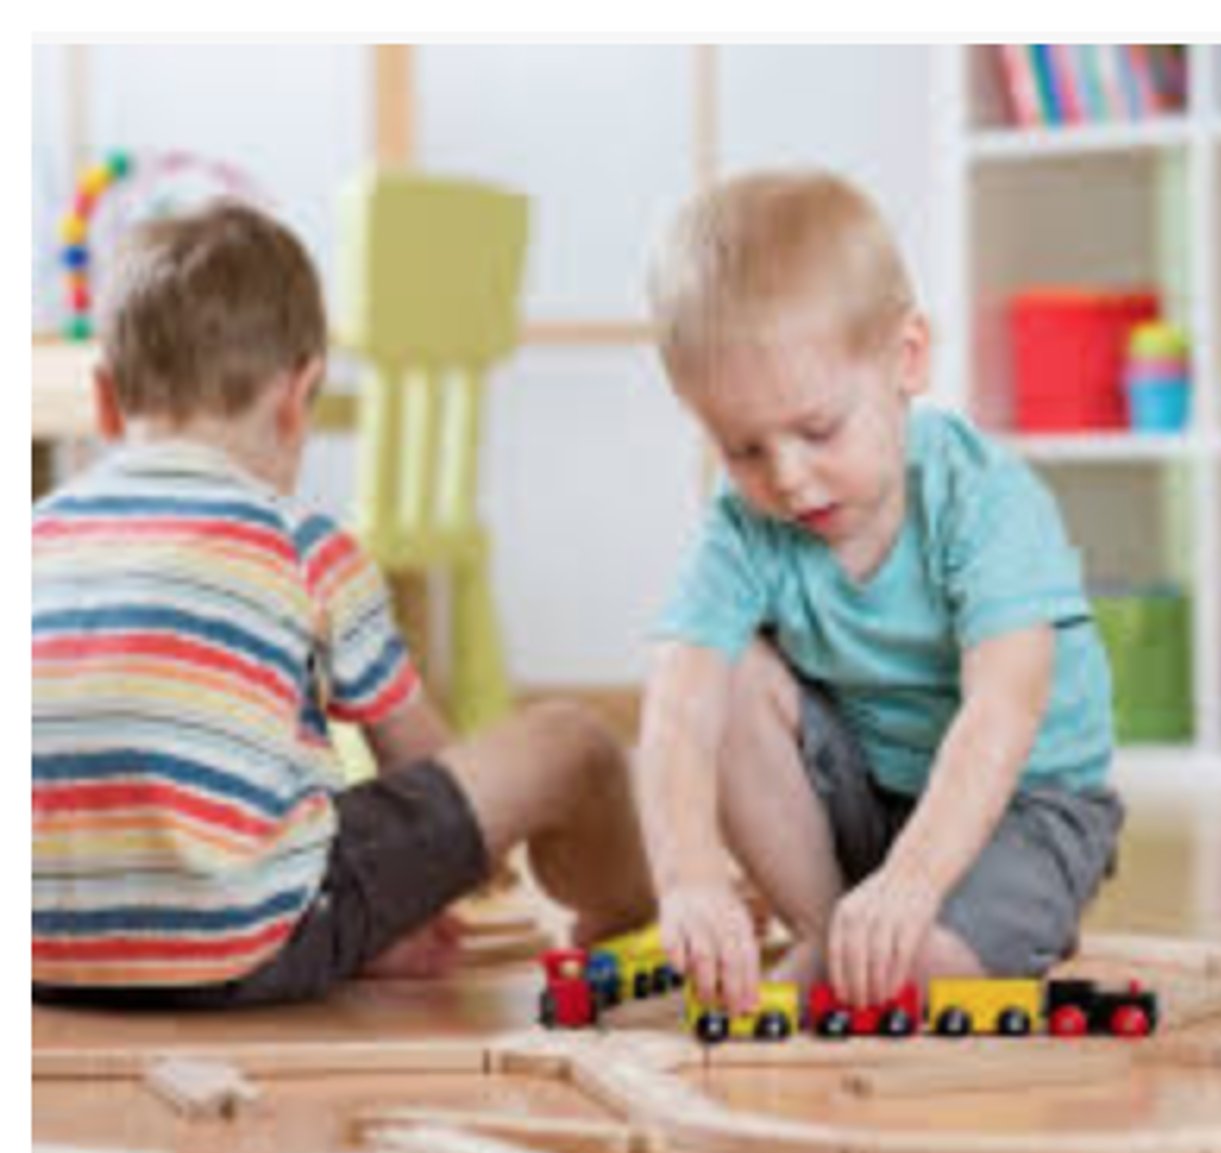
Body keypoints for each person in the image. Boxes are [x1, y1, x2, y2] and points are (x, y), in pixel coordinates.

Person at [32, 200, 653, 1007]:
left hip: (38, 959)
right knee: (572, 745)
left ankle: (344, 931)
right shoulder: (301, 543)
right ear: (301, 398)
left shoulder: (33, 537)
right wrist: (464, 865)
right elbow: (419, 768)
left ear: (106, 402)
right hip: (238, 951)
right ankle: (629, 926)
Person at [639, 170, 1121, 1015]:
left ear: (906, 360)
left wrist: (911, 881)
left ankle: (906, 938)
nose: (787, 478)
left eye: (817, 430)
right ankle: (832, 932)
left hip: (1022, 803)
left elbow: (999, 715)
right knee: (736, 673)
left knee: (916, 978)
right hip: (867, 798)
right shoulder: (742, 526)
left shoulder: (986, 502)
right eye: (743, 449)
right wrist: (689, 880)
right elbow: (679, 712)